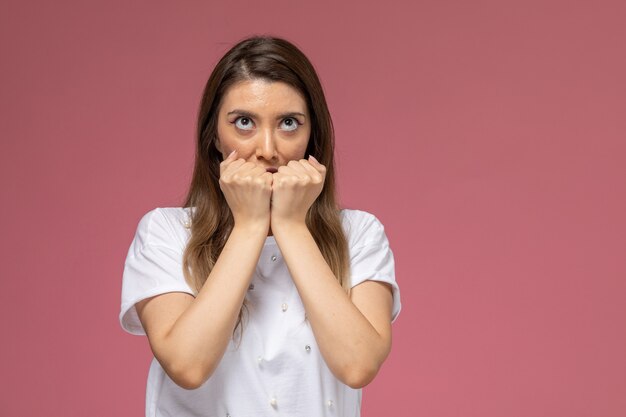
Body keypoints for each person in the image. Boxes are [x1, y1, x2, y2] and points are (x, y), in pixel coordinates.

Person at [120, 36, 401, 417]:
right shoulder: (166, 232)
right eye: (244, 123)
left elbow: (358, 365)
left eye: (288, 123)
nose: (267, 148)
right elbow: (188, 365)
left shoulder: (360, 234)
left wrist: (290, 225)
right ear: (214, 137)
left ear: (311, 136)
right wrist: (250, 225)